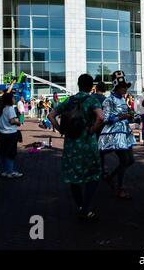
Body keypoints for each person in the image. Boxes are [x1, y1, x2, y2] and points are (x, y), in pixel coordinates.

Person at [48, 74, 104, 221]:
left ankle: (80, 206)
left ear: (78, 85)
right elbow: (101, 117)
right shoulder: (92, 100)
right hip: (87, 143)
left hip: (71, 144)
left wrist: (60, 129)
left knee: (74, 176)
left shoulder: (70, 100)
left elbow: (51, 116)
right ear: (91, 86)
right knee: (95, 173)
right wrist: (92, 130)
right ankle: (85, 207)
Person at [99, 71, 137, 199]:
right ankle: (119, 189)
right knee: (125, 160)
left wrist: (133, 117)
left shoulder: (122, 99)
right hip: (115, 134)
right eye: (124, 86)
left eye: (126, 86)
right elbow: (105, 119)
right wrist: (121, 117)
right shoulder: (109, 100)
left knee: (130, 160)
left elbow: (126, 116)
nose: (126, 88)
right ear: (117, 87)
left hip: (125, 132)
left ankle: (110, 177)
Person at [0, 92, 23, 178]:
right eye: (13, 98)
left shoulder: (0, 108)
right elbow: (12, 121)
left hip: (2, 133)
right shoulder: (10, 108)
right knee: (10, 153)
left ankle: (5, 171)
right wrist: (19, 122)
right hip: (10, 134)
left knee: (3, 153)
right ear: (9, 99)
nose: (14, 99)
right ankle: (10, 171)